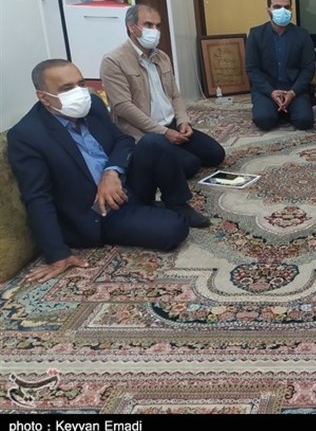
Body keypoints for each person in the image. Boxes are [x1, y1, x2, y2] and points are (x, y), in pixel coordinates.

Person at [7, 60, 214, 284]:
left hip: (123, 182)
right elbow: (37, 197)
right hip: (99, 211)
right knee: (173, 229)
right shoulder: (27, 135)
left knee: (154, 143)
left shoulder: (93, 105)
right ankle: (150, 212)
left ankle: (177, 203)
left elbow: (123, 140)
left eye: (81, 84)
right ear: (44, 97)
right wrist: (57, 254)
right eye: (67, 88)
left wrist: (111, 172)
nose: (79, 92)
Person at [100, 4, 226, 179]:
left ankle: (171, 151)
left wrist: (183, 121)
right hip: (143, 133)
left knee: (216, 154)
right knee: (189, 165)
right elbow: (123, 107)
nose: (155, 31)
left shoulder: (162, 57)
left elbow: (175, 95)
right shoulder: (113, 61)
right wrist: (163, 132)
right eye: (148, 25)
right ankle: (147, 159)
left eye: (158, 26)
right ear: (131, 27)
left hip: (170, 124)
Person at [245, 0, 316, 132]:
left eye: (286, 7)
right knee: (264, 120)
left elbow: (308, 69)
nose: (282, 11)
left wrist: (293, 92)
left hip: (294, 89)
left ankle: (285, 109)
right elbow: (252, 69)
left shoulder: (302, 35)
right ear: (268, 10)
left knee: (304, 121)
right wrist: (271, 92)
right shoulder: (256, 34)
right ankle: (279, 110)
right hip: (267, 89)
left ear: (291, 9)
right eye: (277, 7)